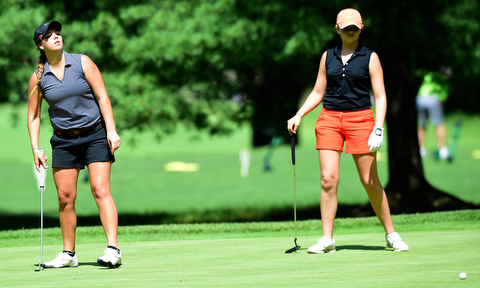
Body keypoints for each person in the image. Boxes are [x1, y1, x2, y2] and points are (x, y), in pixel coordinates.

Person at [286, 8, 409, 253]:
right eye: (345, 27)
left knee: (369, 180)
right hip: (329, 120)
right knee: (328, 179)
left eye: (354, 27)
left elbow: (380, 96)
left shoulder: (370, 57)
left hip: (361, 121)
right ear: (337, 29)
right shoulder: (327, 56)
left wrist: (378, 127)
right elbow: (318, 92)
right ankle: (327, 239)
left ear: (360, 28)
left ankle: (391, 234)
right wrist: (299, 114)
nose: (350, 31)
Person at [27, 21, 122, 268]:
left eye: (58, 33)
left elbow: (102, 96)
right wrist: (35, 148)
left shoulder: (82, 62)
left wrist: (111, 130)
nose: (56, 37)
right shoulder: (38, 77)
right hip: (63, 140)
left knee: (100, 189)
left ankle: (113, 249)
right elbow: (34, 115)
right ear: (41, 44)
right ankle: (69, 254)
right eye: (49, 35)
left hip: (95, 134)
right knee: (64, 197)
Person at [416, 67, 452, 159]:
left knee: (421, 124)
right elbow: (442, 100)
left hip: (420, 98)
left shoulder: (430, 75)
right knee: (439, 124)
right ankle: (442, 149)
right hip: (433, 99)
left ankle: (420, 149)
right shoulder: (444, 82)